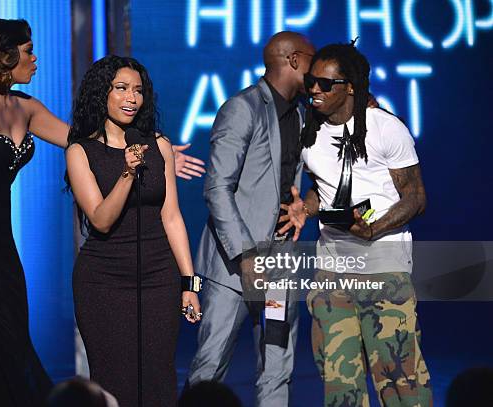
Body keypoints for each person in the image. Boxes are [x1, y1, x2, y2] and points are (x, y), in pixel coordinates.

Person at [0, 18, 205, 406]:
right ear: (3, 57)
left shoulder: (25, 107)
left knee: (0, 334)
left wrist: (159, 152)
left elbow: (84, 139)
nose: (35, 58)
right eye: (27, 51)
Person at [280, 42, 432, 406]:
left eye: (326, 84)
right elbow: (323, 187)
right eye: (312, 81)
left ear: (350, 87)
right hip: (332, 270)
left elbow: (415, 198)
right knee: (339, 384)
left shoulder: (385, 128)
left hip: (384, 267)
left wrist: (375, 228)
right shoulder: (309, 131)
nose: (315, 89)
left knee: (399, 380)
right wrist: (307, 209)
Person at [186, 31, 315, 406]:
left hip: (278, 262)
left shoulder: (302, 114)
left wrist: (301, 208)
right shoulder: (243, 107)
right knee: (210, 368)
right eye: (313, 59)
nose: (318, 68)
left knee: (277, 367)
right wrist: (246, 255)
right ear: (293, 61)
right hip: (234, 265)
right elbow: (217, 188)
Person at [65, 55, 202, 407]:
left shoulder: (160, 146)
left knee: (158, 378)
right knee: (114, 383)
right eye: (122, 89)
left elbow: (172, 216)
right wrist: (127, 173)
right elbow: (100, 219)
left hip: (158, 277)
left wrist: (189, 283)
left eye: (138, 90)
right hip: (103, 282)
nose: (132, 98)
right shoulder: (80, 151)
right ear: (102, 94)